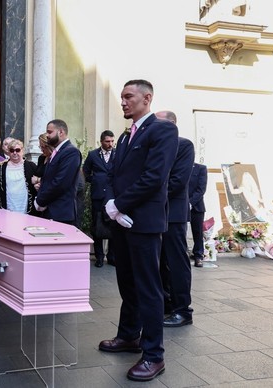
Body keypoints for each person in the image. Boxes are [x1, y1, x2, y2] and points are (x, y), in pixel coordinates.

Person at [98, 79, 178, 382]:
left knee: (148, 289)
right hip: (122, 220)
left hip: (143, 223)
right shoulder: (124, 136)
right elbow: (114, 174)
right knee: (127, 284)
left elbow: (154, 178)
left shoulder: (162, 130)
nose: (123, 102)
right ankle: (129, 336)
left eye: (128, 96)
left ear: (147, 98)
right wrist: (111, 205)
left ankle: (154, 355)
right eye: (121, 97)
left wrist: (118, 205)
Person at [155, 110, 195, 328]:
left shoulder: (184, 145)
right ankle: (166, 304)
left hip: (174, 214)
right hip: (156, 213)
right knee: (160, 262)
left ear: (171, 124)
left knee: (176, 262)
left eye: (158, 123)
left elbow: (177, 181)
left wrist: (149, 195)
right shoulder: (155, 146)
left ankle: (183, 310)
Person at [33, 119, 82, 225]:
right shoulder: (57, 152)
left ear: (61, 132)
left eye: (50, 132)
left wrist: (40, 201)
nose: (47, 136)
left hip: (61, 213)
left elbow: (60, 183)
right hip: (50, 211)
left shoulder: (71, 152)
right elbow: (48, 179)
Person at [82, 130, 117, 267]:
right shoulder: (93, 155)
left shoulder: (117, 154)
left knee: (113, 225)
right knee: (97, 225)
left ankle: (112, 256)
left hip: (113, 195)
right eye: (107, 141)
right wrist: (95, 179)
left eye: (112, 141)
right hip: (97, 195)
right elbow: (85, 171)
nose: (110, 144)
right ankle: (99, 257)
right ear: (102, 141)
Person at [0, 139, 38, 214]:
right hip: (9, 204)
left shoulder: (31, 166)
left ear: (22, 150)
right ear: (9, 152)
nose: (15, 153)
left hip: (25, 204)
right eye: (12, 150)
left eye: (17, 150)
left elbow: (41, 183)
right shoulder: (2, 167)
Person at [189, 163, 208, 267]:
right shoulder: (178, 166)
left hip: (196, 206)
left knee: (197, 232)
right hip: (179, 204)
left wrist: (190, 202)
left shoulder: (200, 168)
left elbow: (201, 189)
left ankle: (198, 255)